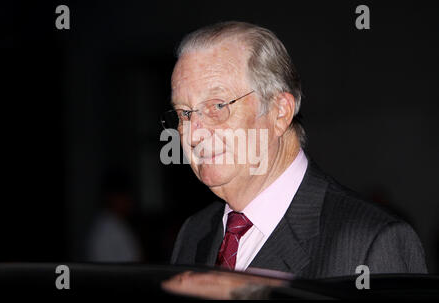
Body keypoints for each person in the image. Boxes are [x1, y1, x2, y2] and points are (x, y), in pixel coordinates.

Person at [163, 21, 427, 278]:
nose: (193, 133)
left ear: (280, 112)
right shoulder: (195, 233)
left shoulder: (371, 241)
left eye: (217, 106)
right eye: (183, 113)